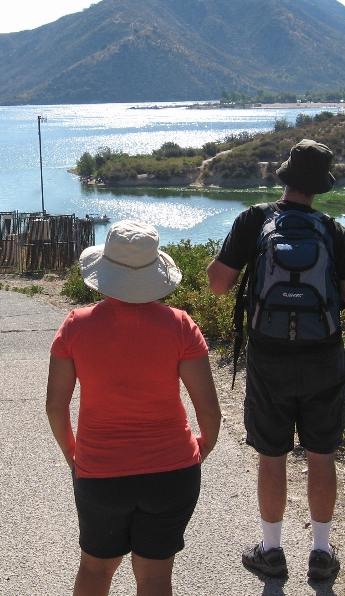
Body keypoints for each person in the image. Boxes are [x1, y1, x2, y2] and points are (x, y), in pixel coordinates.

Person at [206, 139, 345, 580]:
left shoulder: (254, 220)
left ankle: (271, 549)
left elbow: (218, 284)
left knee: (272, 455)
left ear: (285, 179)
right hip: (323, 356)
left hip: (268, 355)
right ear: (319, 187)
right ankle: (321, 553)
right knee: (321, 455)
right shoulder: (331, 230)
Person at [46, 220, 222, 596]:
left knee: (95, 570)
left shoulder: (75, 326)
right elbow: (209, 409)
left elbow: (54, 406)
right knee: (156, 577)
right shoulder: (180, 325)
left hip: (100, 472)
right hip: (173, 472)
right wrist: (200, 449)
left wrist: (72, 456)